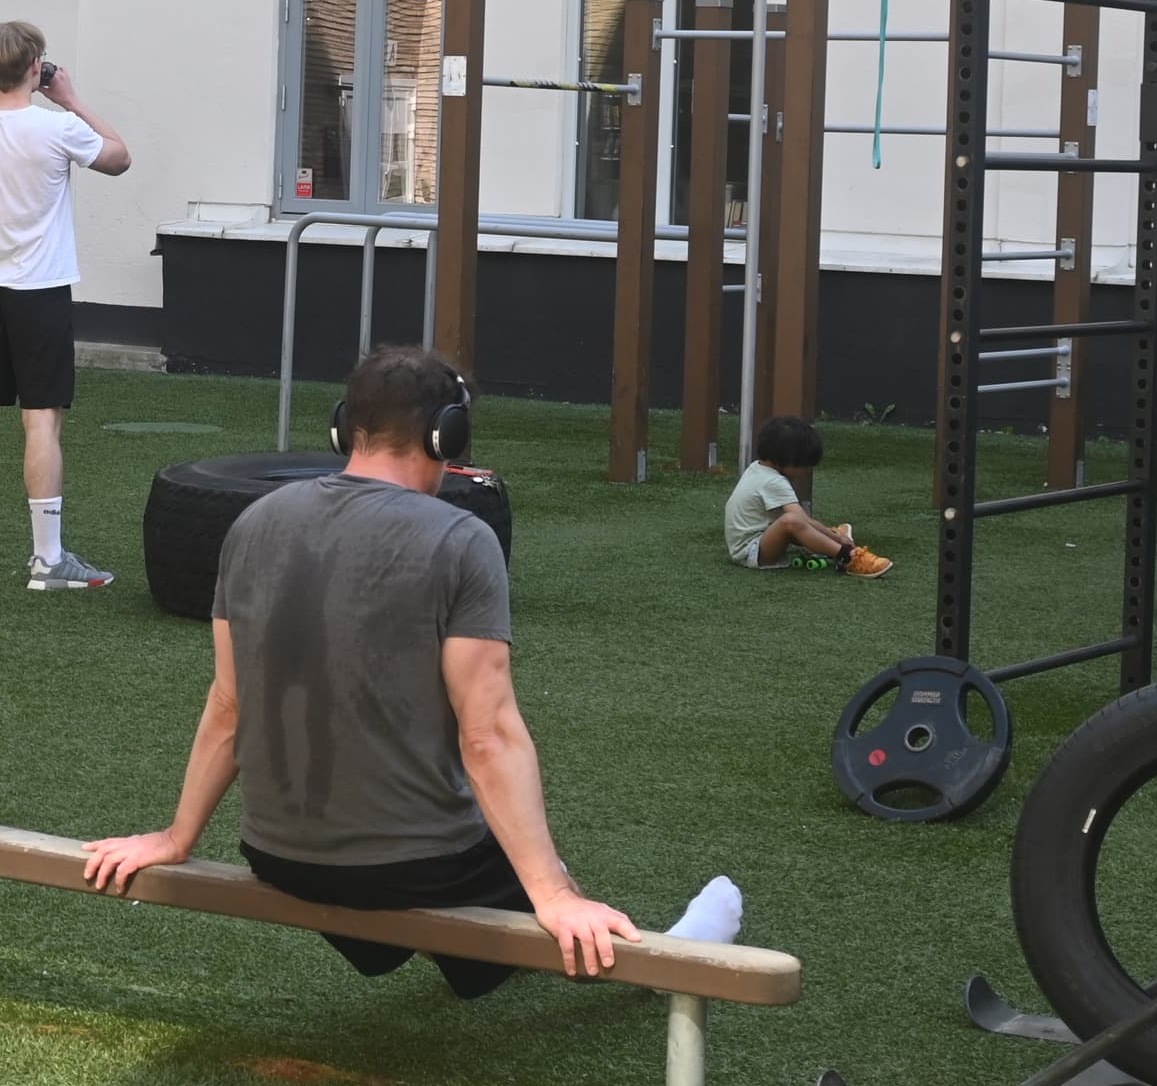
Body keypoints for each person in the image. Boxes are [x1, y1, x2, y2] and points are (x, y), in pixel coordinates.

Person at [80, 346, 740, 992]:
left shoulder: (252, 524)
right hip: (418, 868)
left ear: (345, 427)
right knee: (538, 890)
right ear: (445, 433)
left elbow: (230, 703)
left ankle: (460, 958)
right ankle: (674, 958)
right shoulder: (460, 539)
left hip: (279, 857)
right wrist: (553, 893)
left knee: (468, 952)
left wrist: (175, 836)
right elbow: (488, 736)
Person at [0, 20, 131, 590]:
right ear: (36, 65)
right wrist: (71, 98)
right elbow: (119, 158)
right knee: (40, 419)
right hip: (41, 292)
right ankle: (47, 560)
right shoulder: (57, 126)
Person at [723, 416, 890, 576]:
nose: (807, 471)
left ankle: (825, 540)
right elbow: (801, 521)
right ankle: (848, 556)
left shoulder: (757, 468)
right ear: (788, 458)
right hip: (751, 552)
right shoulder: (773, 482)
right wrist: (838, 538)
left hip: (747, 546)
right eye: (805, 465)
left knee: (791, 521)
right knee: (791, 521)